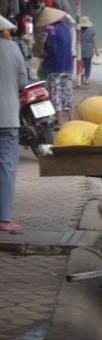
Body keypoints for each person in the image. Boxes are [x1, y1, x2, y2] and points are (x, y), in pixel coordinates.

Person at [0, 15, 29, 233]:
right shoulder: (12, 48)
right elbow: (23, 82)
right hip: (8, 117)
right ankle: (4, 219)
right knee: (6, 168)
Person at [37, 7, 74, 127]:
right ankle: (72, 119)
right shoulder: (66, 28)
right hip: (67, 66)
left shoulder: (53, 30)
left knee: (56, 94)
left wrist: (41, 54)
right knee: (67, 93)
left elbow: (51, 50)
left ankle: (60, 121)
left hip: (55, 67)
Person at [79, 16, 99, 86]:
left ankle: (81, 77)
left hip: (80, 51)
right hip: (88, 51)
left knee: (81, 65)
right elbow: (94, 42)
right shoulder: (92, 31)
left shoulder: (78, 31)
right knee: (87, 66)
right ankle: (86, 79)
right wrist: (96, 51)